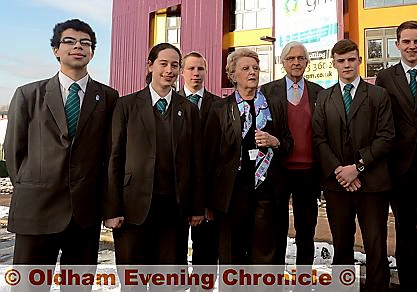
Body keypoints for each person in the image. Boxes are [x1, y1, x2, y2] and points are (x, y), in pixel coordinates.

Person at [4, 19, 118, 266]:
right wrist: (32, 186)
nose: (78, 46)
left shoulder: (108, 97)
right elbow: (14, 153)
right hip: (36, 209)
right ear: (56, 50)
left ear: (92, 52)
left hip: (84, 214)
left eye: (85, 43)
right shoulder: (28, 94)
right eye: (70, 41)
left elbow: (110, 155)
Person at [103, 43, 204, 266]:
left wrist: (196, 207)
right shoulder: (126, 105)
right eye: (163, 64)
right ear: (149, 66)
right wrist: (112, 208)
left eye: (175, 65)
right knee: (133, 278)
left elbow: (196, 161)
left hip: (174, 209)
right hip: (132, 209)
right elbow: (114, 158)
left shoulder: (188, 109)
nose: (169, 70)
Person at [312, 39, 394, 291]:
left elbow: (386, 136)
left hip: (372, 184)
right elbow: (319, 138)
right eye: (341, 60)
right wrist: (339, 170)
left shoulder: (378, 95)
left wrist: (357, 167)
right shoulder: (325, 97)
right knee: (342, 244)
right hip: (337, 186)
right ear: (334, 64)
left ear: (359, 60)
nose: (346, 65)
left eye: (351, 59)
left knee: (376, 245)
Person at [204, 48, 293, 264]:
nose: (252, 72)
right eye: (245, 68)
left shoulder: (275, 105)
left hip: (266, 193)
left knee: (265, 256)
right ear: (232, 75)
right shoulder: (220, 109)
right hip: (232, 193)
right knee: (232, 254)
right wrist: (207, 201)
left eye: (255, 67)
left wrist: (275, 141)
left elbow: (289, 143)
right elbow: (209, 156)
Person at [375, 21, 417, 292]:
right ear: (397, 45)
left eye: (416, 41)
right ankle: (408, 286)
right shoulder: (384, 77)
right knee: (404, 231)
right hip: (399, 166)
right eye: (406, 42)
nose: (411, 46)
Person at [261, 41, 323, 265]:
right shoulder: (268, 92)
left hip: (309, 173)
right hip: (279, 171)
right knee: (277, 230)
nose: (296, 62)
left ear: (307, 62)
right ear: (282, 63)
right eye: (290, 58)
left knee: (306, 232)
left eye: (300, 58)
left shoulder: (319, 93)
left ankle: (303, 284)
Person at [179, 51, 221, 266]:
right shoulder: (169, 103)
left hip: (207, 195)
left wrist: (211, 201)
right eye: (191, 68)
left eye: (200, 69)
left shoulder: (220, 106)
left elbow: (221, 156)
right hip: (175, 195)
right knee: (172, 259)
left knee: (206, 256)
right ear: (181, 71)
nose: (196, 73)